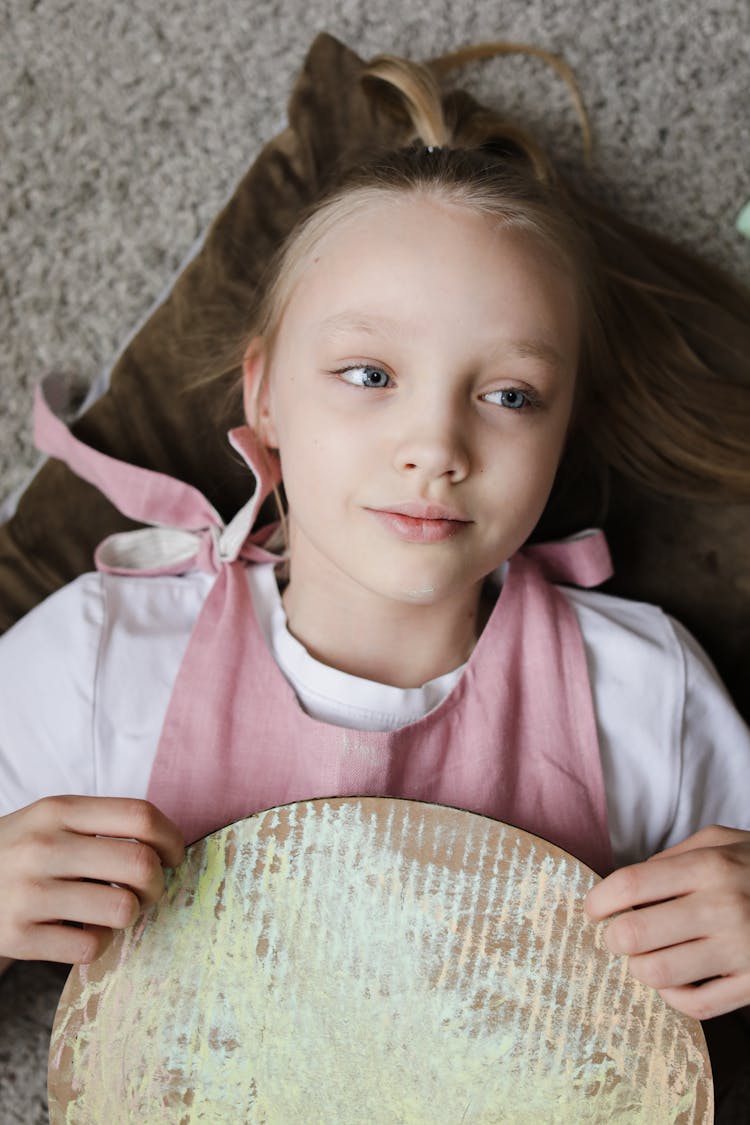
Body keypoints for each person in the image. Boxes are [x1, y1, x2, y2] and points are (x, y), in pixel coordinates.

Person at [0, 48, 749, 1031]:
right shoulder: (102, 657)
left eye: (510, 395)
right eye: (368, 375)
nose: (436, 447)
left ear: (565, 430)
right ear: (263, 394)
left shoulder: (647, 691)